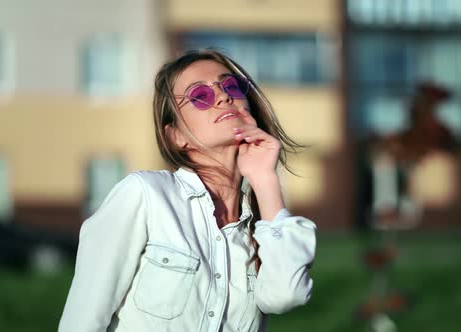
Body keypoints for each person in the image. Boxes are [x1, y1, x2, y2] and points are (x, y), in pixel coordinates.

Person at [58, 49, 317, 332]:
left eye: (230, 85)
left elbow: (286, 295)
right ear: (176, 136)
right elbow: (82, 321)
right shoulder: (144, 195)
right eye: (200, 96)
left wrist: (265, 179)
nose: (223, 96)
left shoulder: (258, 230)